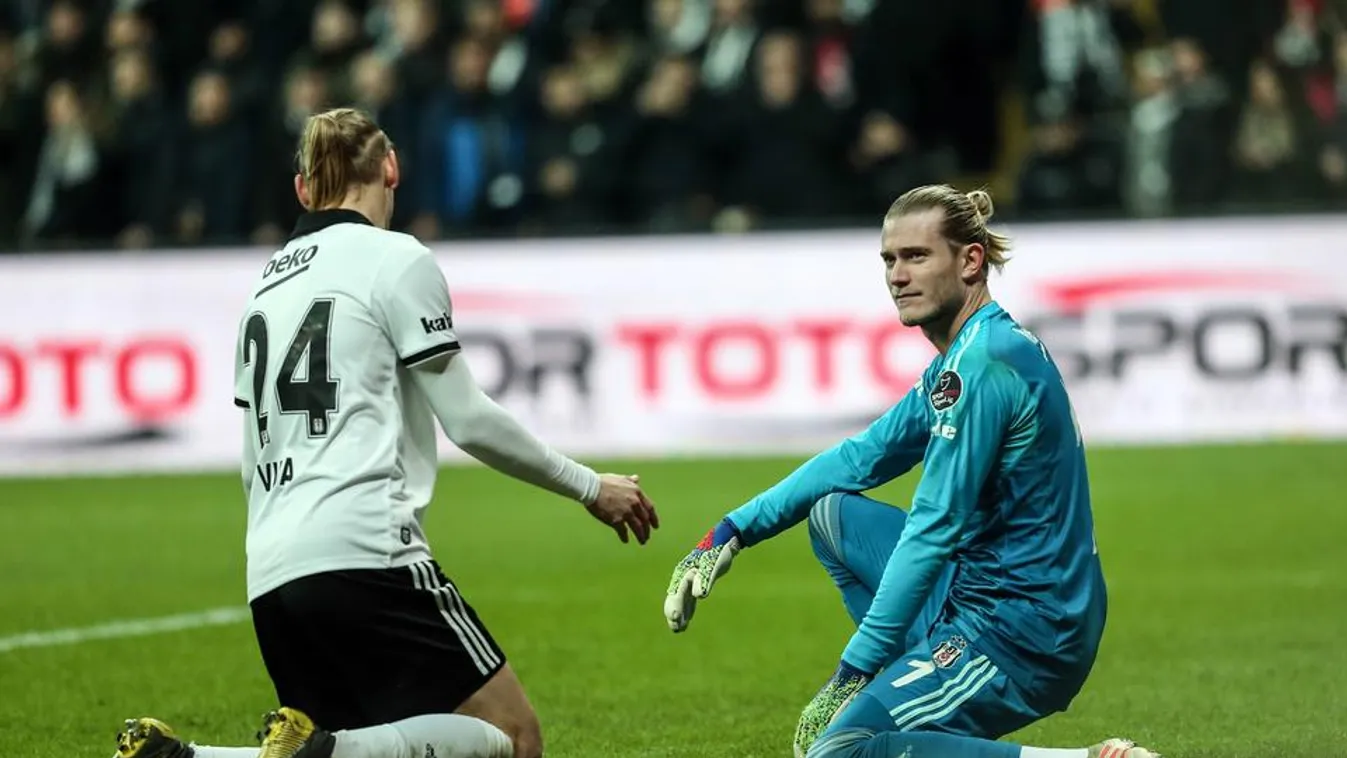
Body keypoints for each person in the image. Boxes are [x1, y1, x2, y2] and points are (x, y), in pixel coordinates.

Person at [115, 107, 659, 758]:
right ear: (391, 168)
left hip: (270, 570)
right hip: (365, 550)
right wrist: (589, 486)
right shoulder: (395, 259)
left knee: (339, 746)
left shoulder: (264, 289)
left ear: (303, 191)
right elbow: (468, 419)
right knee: (515, 738)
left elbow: (253, 450)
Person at [663, 186, 1160, 758]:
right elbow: (860, 458)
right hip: (987, 595)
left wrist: (852, 672)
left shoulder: (982, 367)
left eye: (917, 256)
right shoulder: (971, 353)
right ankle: (918, 696)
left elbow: (933, 528)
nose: (898, 276)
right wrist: (731, 531)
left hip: (1022, 631)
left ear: (970, 261)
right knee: (833, 516)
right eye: (889, 260)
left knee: (838, 751)